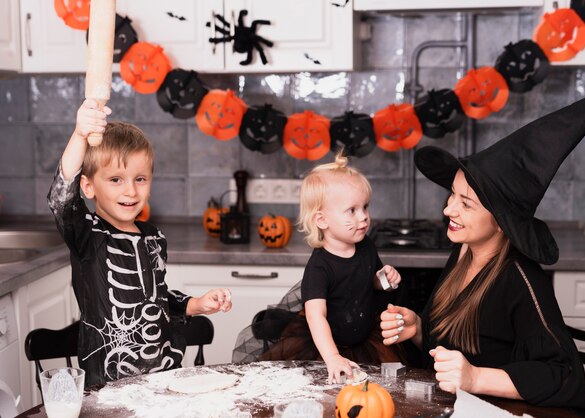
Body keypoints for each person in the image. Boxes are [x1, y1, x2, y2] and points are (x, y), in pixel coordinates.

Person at [380, 87, 585, 411]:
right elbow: (454, 351)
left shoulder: (519, 281)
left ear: (502, 223)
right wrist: (419, 330)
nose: (448, 210)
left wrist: (475, 378)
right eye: (452, 195)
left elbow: (565, 376)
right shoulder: (463, 252)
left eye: (466, 204)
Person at [47, 99, 233, 387]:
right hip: (107, 382)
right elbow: (61, 197)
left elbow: (156, 300)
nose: (131, 190)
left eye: (140, 179)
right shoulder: (87, 234)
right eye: (116, 179)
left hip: (164, 376)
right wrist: (80, 135)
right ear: (88, 186)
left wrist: (195, 304)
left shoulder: (154, 238)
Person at [231, 152, 405, 383]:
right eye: (352, 210)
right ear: (322, 220)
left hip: (366, 340)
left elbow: (370, 281)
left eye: (365, 207)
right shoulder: (319, 267)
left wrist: (383, 278)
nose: (364, 217)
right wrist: (332, 356)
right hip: (324, 349)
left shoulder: (366, 246)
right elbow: (316, 316)